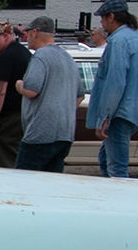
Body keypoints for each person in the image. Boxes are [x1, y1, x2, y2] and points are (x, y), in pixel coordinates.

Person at [86, 0, 138, 178]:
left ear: (111, 16)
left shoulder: (118, 41)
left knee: (117, 168)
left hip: (120, 111)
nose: (101, 23)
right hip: (137, 108)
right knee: (106, 159)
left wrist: (105, 115)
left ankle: (120, 203)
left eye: (102, 18)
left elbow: (115, 81)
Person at [13, 16, 84, 172]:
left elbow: (31, 90)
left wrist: (19, 85)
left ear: (35, 32)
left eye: (28, 33)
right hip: (65, 133)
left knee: (24, 179)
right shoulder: (68, 58)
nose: (26, 37)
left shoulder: (40, 56)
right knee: (51, 183)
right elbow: (80, 95)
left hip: (40, 134)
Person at [0, 21, 31, 168]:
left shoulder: (8, 56)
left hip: (9, 119)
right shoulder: (22, 52)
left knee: (5, 161)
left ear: (4, 36)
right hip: (18, 116)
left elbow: (0, 91)